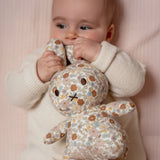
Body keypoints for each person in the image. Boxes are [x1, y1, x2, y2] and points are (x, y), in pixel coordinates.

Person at [5, 0, 146, 159]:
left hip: (107, 150)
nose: (70, 34)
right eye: (61, 25)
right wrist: (37, 74)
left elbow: (134, 84)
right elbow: (15, 97)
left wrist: (99, 55)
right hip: (46, 152)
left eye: (84, 27)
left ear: (108, 34)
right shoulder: (42, 58)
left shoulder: (108, 57)